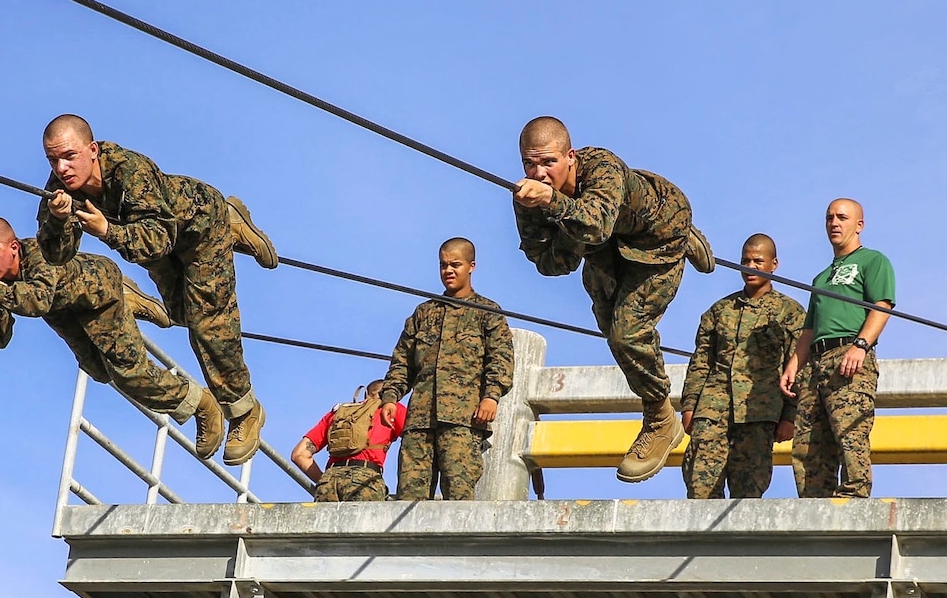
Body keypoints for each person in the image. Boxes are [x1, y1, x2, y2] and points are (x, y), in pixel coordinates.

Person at [35, 114, 272, 466]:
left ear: (93, 149)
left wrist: (107, 232)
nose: (62, 167)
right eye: (53, 160)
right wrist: (57, 220)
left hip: (199, 229)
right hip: (158, 248)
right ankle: (234, 222)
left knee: (208, 327)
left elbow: (157, 241)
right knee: (181, 316)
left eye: (69, 156)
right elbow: (56, 256)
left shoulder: (130, 171)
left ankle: (244, 410)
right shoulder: (60, 188)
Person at [512, 116, 714, 484]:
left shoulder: (601, 167)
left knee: (628, 334)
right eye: (530, 163)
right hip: (606, 252)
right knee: (610, 327)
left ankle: (659, 418)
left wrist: (556, 205)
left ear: (570, 157)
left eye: (548, 162)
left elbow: (596, 223)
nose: (539, 173)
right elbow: (551, 263)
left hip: (657, 237)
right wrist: (549, 215)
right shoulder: (531, 198)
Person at [0, 217, 225, 458]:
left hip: (98, 294)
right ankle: (130, 300)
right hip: (63, 309)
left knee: (129, 373)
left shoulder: (39, 256)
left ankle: (199, 403)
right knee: (99, 371)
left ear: (13, 248)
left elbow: (36, 302)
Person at [379, 237, 515, 501]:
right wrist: (390, 397)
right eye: (443, 266)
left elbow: (501, 359)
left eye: (455, 265)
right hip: (420, 422)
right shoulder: (424, 312)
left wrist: (491, 396)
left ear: (471, 266)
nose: (448, 271)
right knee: (409, 498)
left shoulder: (487, 312)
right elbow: (402, 362)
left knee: (459, 499)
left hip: (463, 422)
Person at [780, 199, 895, 498]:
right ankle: (813, 503)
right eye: (830, 217)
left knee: (849, 433)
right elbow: (809, 329)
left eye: (842, 217)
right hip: (816, 362)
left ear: (859, 225)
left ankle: (854, 495)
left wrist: (860, 345)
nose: (834, 223)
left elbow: (882, 306)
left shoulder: (872, 260)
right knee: (808, 442)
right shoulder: (821, 277)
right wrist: (794, 364)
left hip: (849, 354)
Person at [681, 234, 805, 499]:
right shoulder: (719, 310)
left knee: (748, 490)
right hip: (713, 410)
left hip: (758, 413)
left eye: (758, 261)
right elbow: (701, 362)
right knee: (700, 485)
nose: (751, 266)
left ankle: (739, 542)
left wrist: (789, 417)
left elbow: (797, 369)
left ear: (774, 264)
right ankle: (699, 540)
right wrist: (690, 406)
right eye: (745, 261)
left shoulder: (790, 313)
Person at [290, 380, 407, 501]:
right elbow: (417, 441)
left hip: (329, 481)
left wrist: (324, 481)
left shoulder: (338, 413)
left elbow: (299, 454)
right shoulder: (391, 409)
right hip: (365, 481)